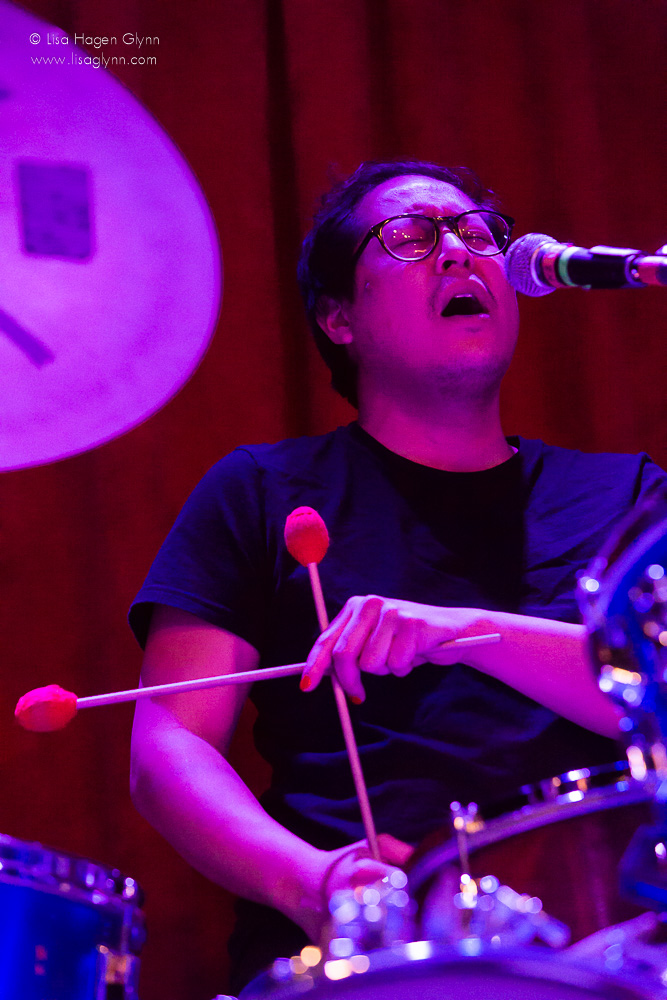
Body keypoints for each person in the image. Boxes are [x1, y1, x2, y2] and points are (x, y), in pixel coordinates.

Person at [129, 160, 666, 992]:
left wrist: (465, 632)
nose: (458, 251)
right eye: (411, 238)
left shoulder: (626, 496)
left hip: (605, 944)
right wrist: (313, 883)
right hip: (362, 954)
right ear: (338, 318)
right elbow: (170, 743)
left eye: (477, 233)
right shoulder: (262, 491)